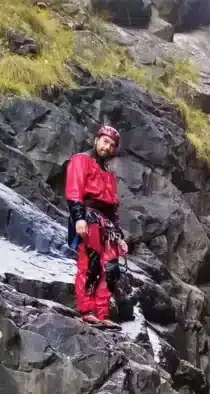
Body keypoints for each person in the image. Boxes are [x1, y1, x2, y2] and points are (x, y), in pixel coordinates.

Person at [65, 125, 129, 324]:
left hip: (107, 224)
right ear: (97, 140)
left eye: (111, 145)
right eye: (105, 142)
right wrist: (79, 218)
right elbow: (74, 190)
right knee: (90, 265)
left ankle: (103, 314)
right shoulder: (81, 160)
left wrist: (119, 236)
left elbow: (113, 208)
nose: (107, 147)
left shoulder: (109, 173)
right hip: (89, 217)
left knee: (110, 269)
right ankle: (86, 310)